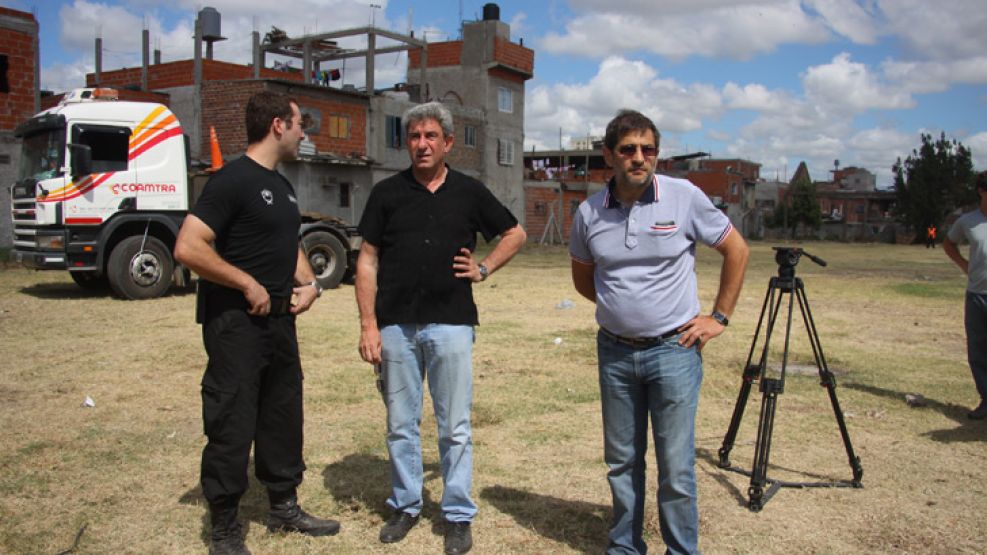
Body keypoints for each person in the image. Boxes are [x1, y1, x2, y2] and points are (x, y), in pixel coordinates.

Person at [569, 109, 749, 555]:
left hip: (674, 350)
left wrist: (718, 317)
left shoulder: (683, 196)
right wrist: (621, 309)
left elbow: (736, 249)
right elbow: (583, 278)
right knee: (622, 461)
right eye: (628, 149)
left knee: (676, 466)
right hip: (614, 354)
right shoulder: (588, 213)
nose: (639, 158)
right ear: (609, 155)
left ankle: (681, 550)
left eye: (648, 149)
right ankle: (626, 547)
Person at [355, 101, 526, 554]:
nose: (422, 144)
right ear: (406, 142)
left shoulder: (469, 192)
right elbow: (367, 259)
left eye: (431, 136)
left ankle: (457, 514)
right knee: (400, 424)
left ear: (448, 143)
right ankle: (406, 505)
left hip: (451, 325)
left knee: (454, 426)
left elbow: (515, 234)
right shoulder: (387, 193)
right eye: (414, 136)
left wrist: (484, 269)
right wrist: (369, 325)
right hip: (396, 328)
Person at [174, 90, 339, 555]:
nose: (305, 130)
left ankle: (283, 505)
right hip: (236, 326)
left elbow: (287, 245)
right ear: (277, 126)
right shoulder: (231, 180)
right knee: (232, 419)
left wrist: (310, 285)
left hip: (279, 326)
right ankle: (225, 528)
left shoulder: (282, 185)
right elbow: (188, 247)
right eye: (299, 122)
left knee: (282, 415)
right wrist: (246, 283)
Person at [943, 171, 987, 420]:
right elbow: (949, 244)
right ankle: (986, 399)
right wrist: (964, 265)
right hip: (977, 295)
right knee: (979, 350)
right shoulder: (968, 221)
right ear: (981, 191)